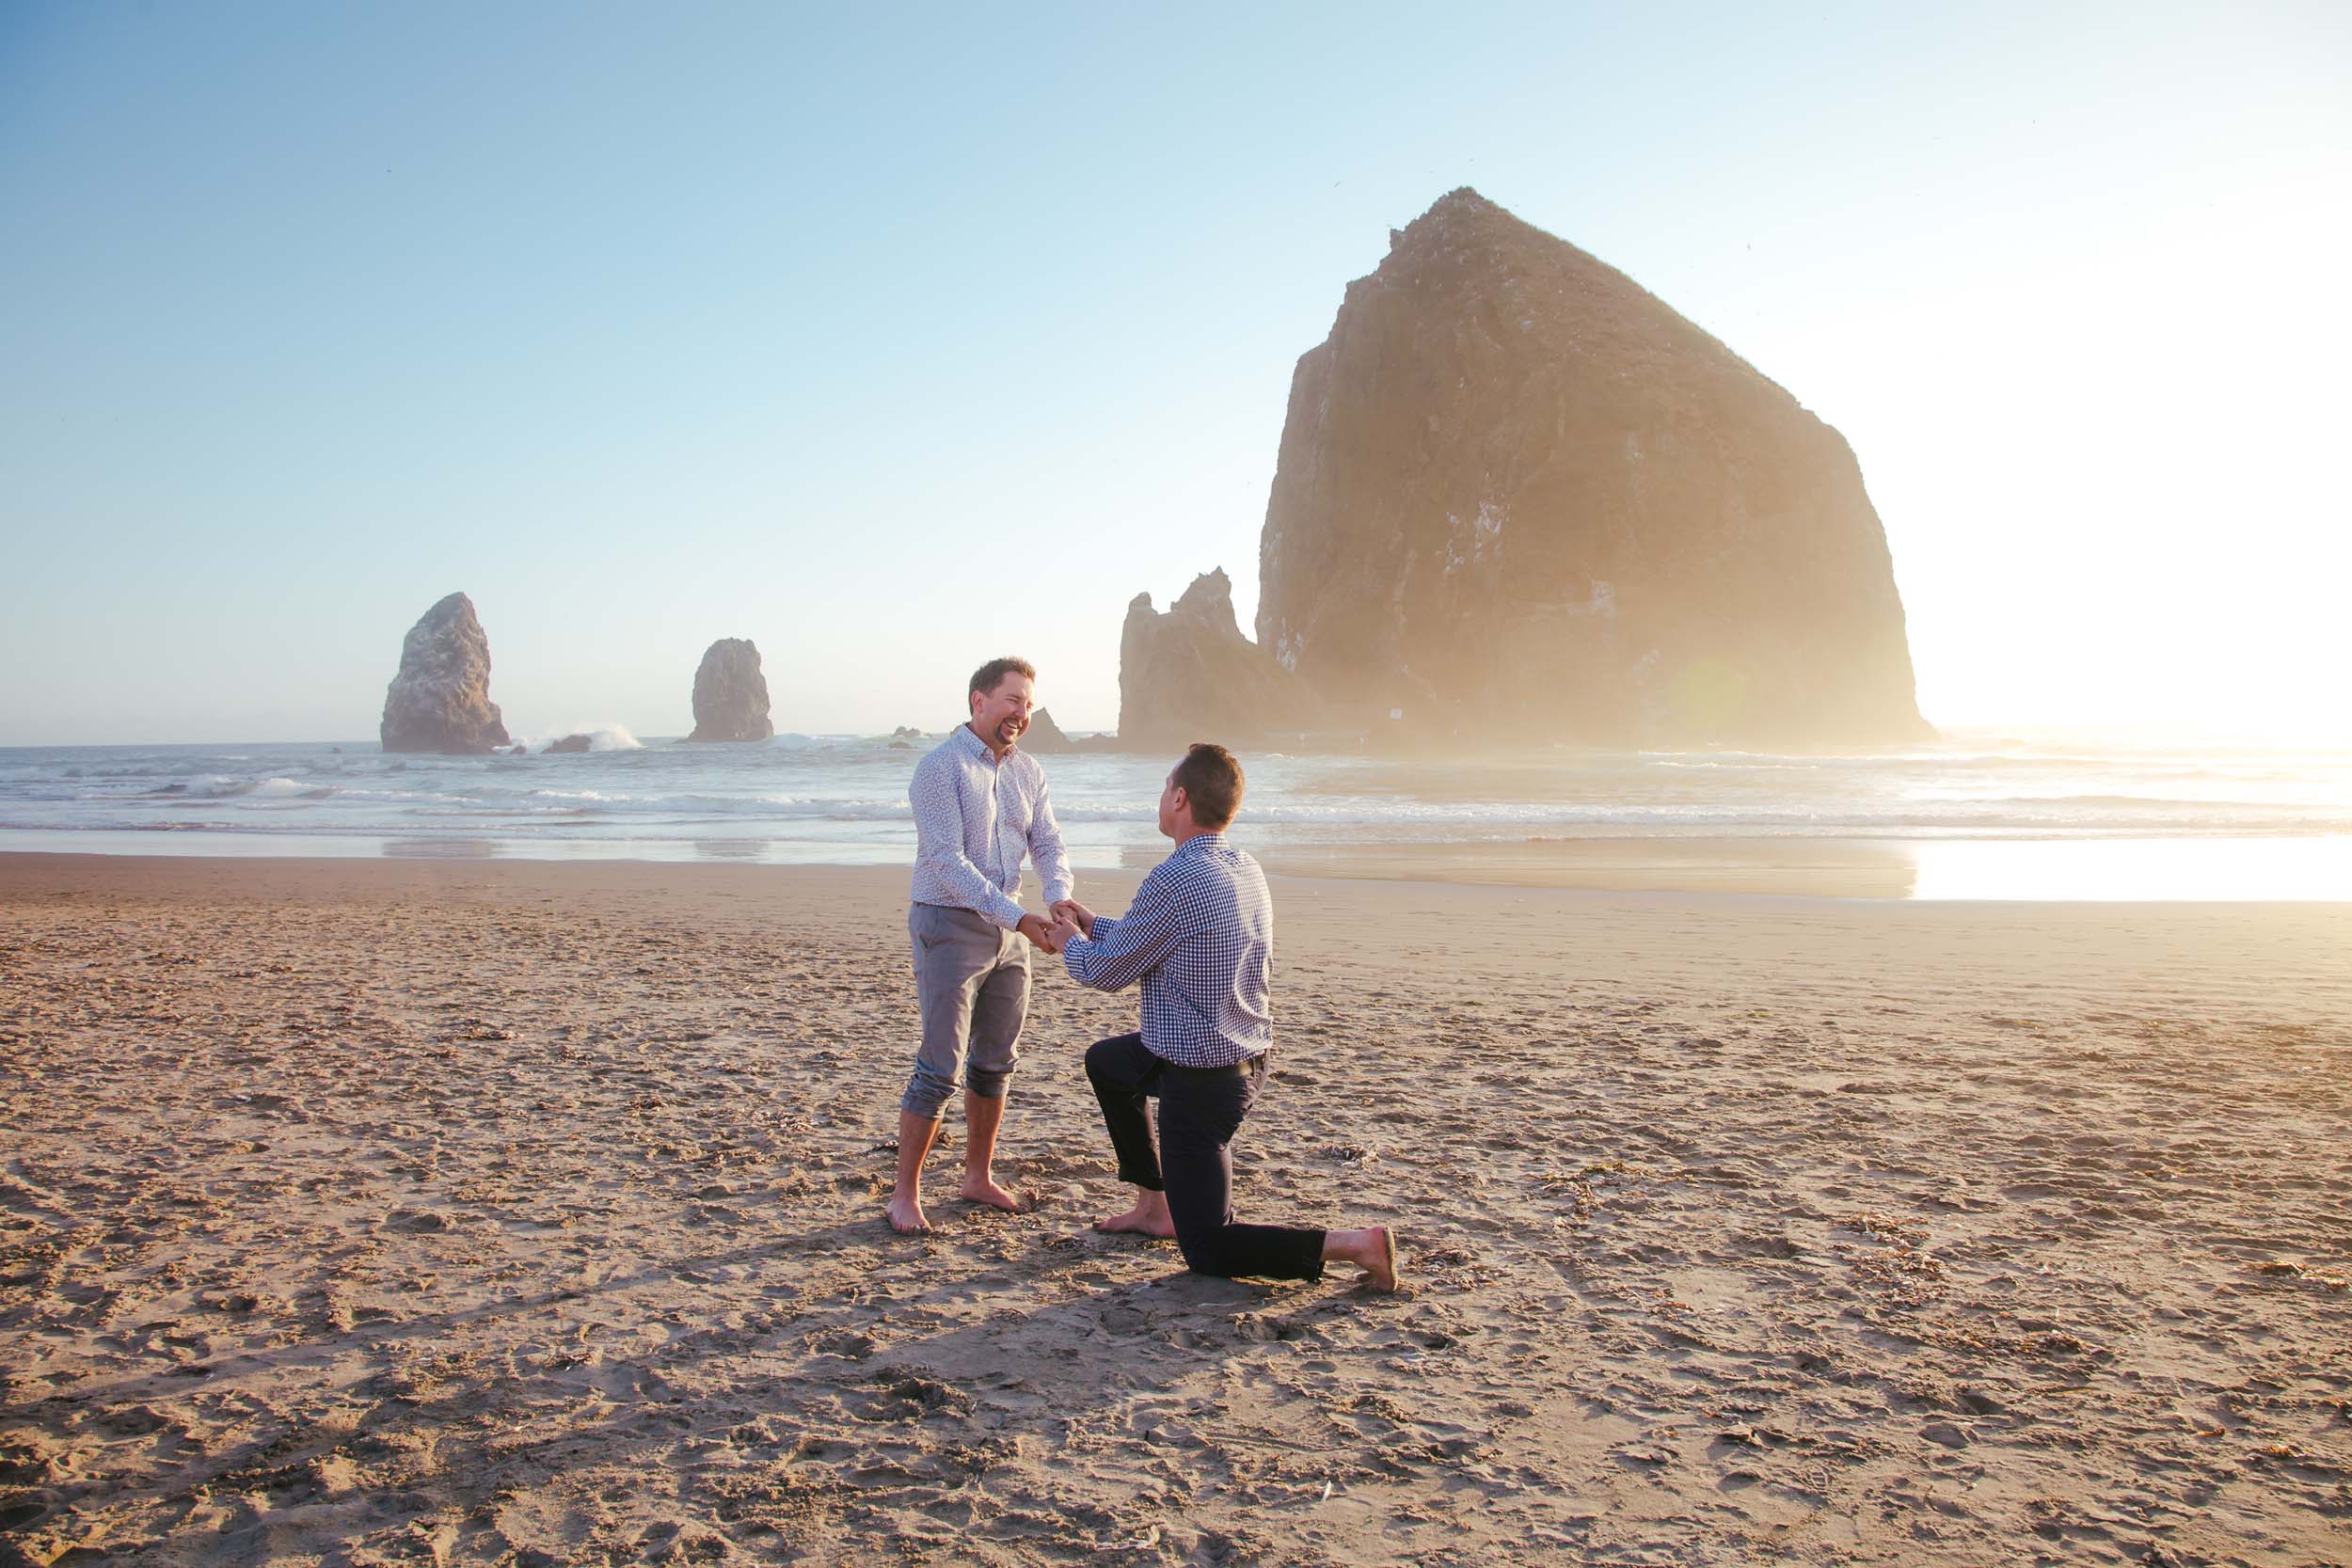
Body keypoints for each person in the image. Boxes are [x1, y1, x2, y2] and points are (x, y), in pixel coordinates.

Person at [1048, 743, 1398, 1291]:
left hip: (1204, 1082)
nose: (1162, 795)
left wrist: (1069, 942)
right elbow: (1154, 940)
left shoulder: (1174, 878)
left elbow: (1108, 974)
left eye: (1166, 786)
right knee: (1110, 1065)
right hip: (1242, 1055)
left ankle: (1355, 1245)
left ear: (1181, 798)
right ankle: (1153, 1207)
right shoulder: (1243, 866)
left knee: (1208, 1248)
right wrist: (1091, 924)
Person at [890, 657, 1081, 1235]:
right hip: (948, 924)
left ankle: (977, 1176)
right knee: (939, 1067)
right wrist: (1020, 919)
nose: (1021, 713)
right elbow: (947, 865)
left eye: (1027, 702)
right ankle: (904, 1195)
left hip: (1011, 930)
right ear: (979, 701)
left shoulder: (1029, 772)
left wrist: (1059, 898)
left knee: (996, 1061)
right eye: (1011, 700)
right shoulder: (938, 768)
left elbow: (1048, 841)